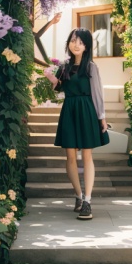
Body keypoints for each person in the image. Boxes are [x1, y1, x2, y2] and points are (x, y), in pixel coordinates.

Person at [44, 28, 109, 220]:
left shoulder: (91, 67)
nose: (76, 44)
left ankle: (87, 201)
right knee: (70, 157)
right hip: (69, 110)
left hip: (87, 109)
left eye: (80, 42)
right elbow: (59, 90)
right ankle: (78, 196)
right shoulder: (64, 66)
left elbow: (97, 93)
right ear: (69, 43)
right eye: (73, 41)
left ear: (86, 45)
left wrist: (102, 118)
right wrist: (51, 79)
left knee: (87, 156)